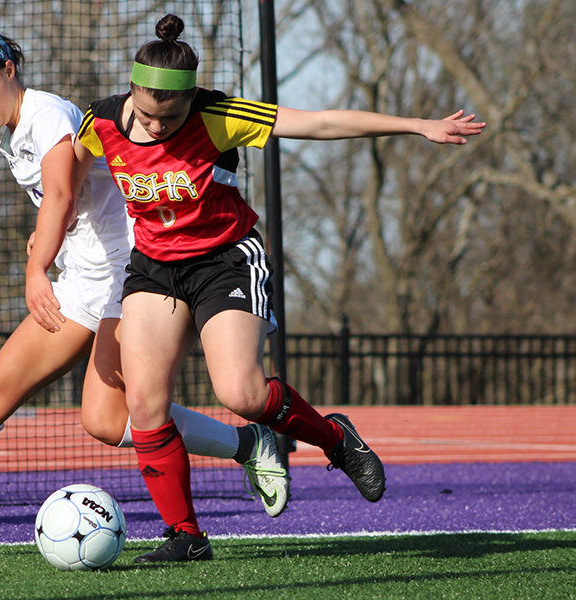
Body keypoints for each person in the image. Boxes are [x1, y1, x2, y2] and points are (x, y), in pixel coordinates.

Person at [0, 26, 289, 559]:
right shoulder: (18, 130)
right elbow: (68, 202)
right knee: (0, 399)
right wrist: (53, 240)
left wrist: (35, 269)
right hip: (82, 280)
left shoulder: (47, 113)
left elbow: (59, 192)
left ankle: (233, 466)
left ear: (9, 69)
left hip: (133, 275)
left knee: (117, 414)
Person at [74, 14, 486, 562]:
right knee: (146, 406)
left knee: (241, 394)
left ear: (190, 99)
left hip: (226, 261)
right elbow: (68, 172)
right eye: (147, 115)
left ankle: (336, 441)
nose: (156, 127)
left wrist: (416, 125)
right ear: (130, 92)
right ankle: (186, 537)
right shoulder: (97, 122)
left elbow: (321, 122)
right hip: (153, 267)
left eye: (169, 117)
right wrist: (50, 232)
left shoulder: (219, 115)